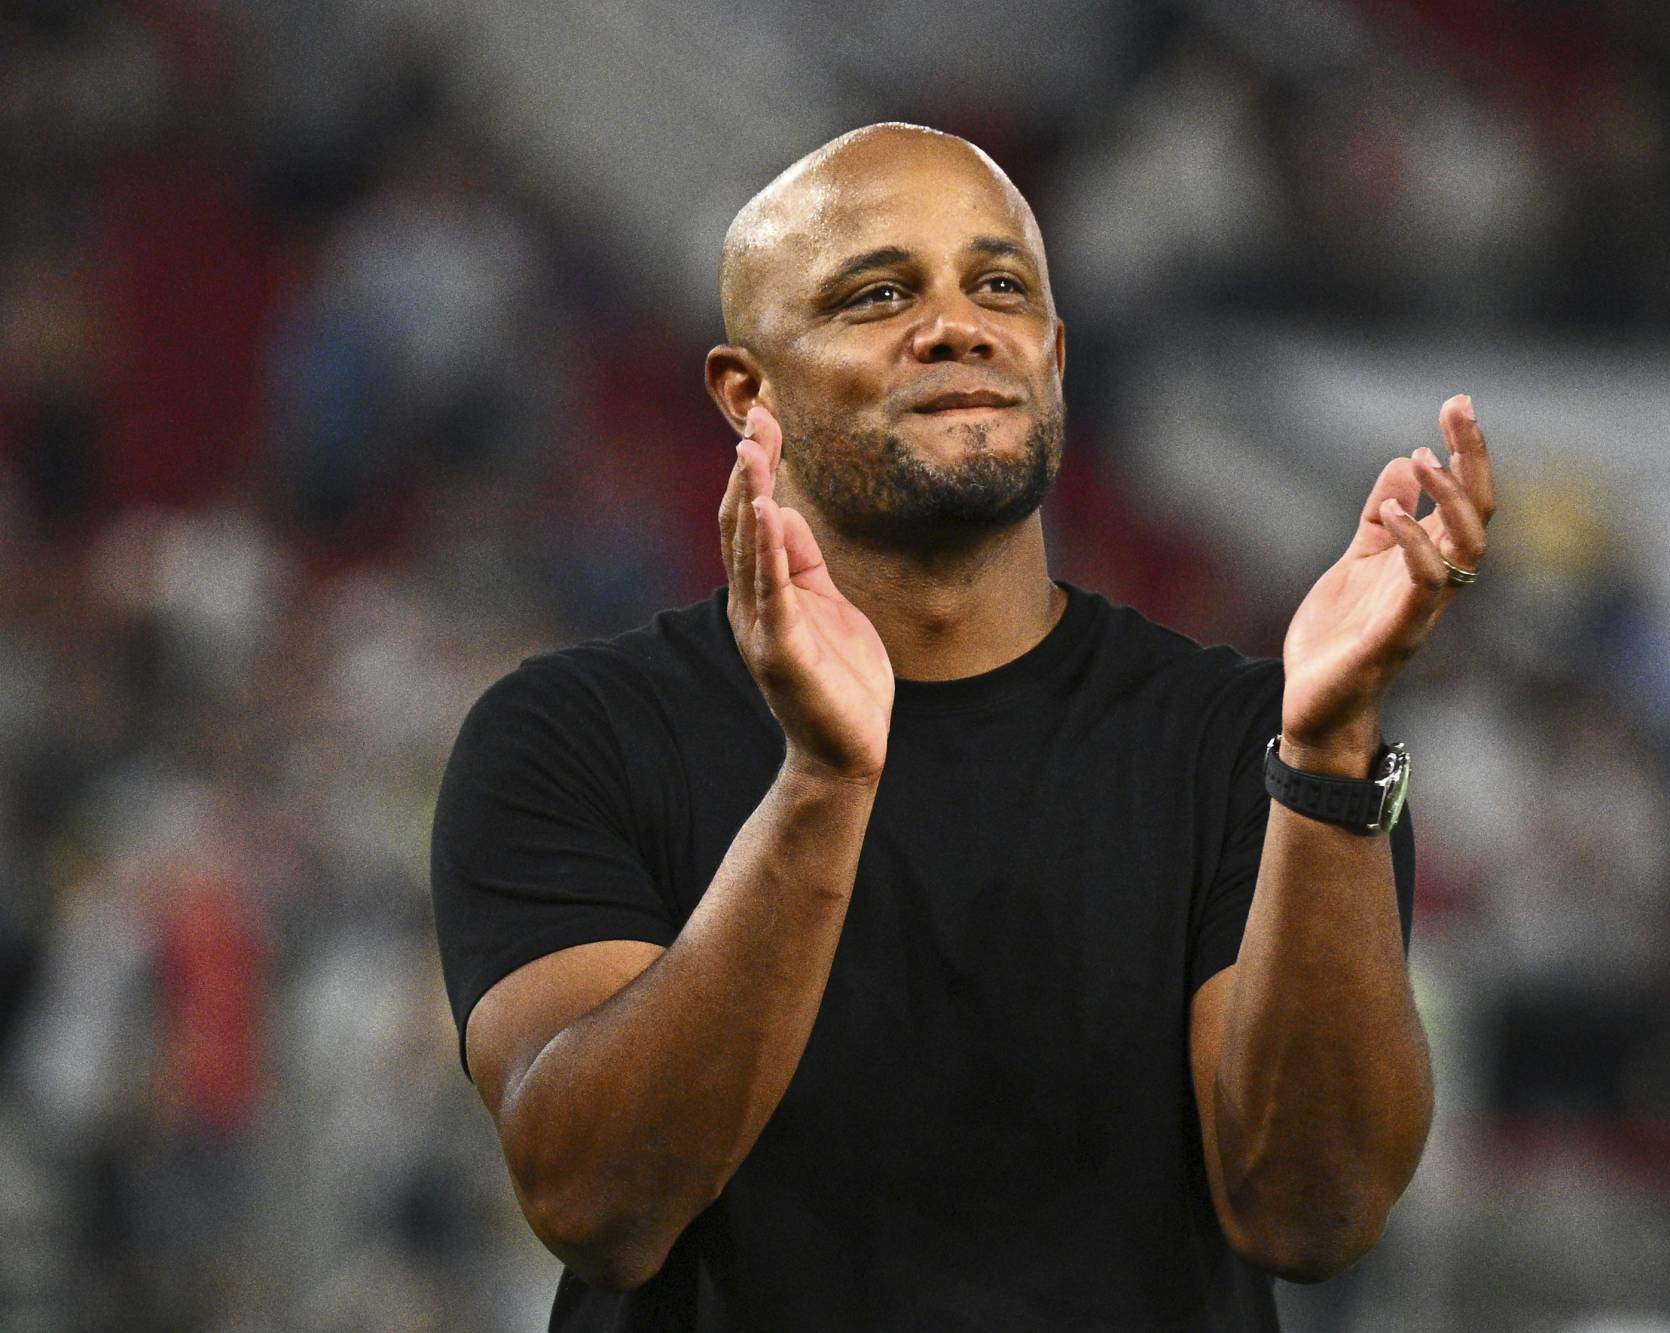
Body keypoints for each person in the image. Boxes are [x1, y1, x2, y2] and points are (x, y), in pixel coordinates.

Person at [429, 122, 1495, 1332]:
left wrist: (1330, 749)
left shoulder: (1251, 746)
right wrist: (822, 787)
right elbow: (598, 1202)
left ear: (1053, 355)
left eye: (1000, 287)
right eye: (877, 295)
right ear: (746, 392)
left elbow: (1310, 1214)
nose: (956, 326)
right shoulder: (570, 736)